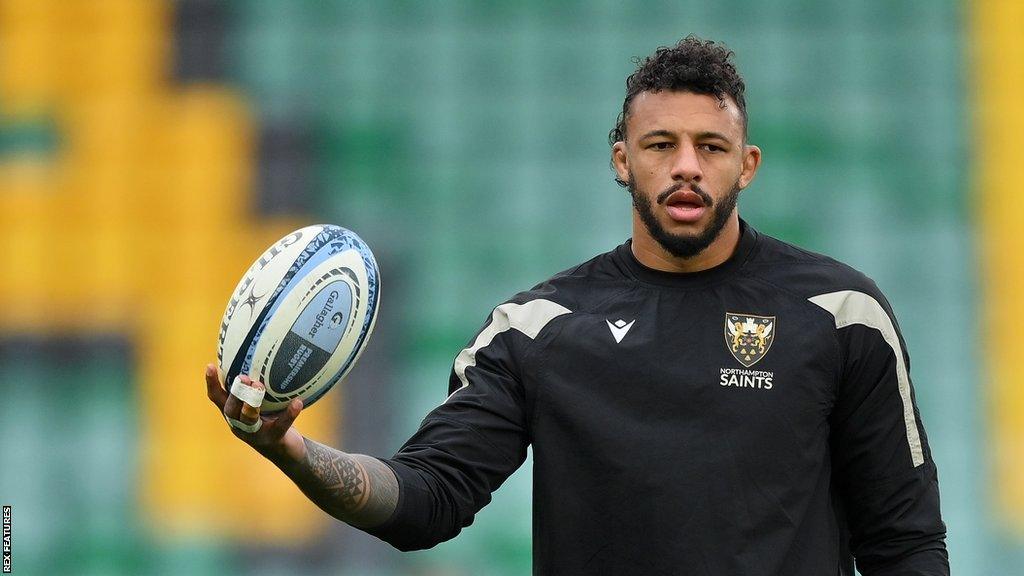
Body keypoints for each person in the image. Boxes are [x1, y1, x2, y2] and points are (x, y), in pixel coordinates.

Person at [205, 35, 949, 575]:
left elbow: (906, 543)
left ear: (747, 165)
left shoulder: (841, 313)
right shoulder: (538, 330)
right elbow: (426, 500)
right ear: (621, 159)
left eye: (711, 147)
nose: (686, 166)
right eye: (661, 144)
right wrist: (290, 450)